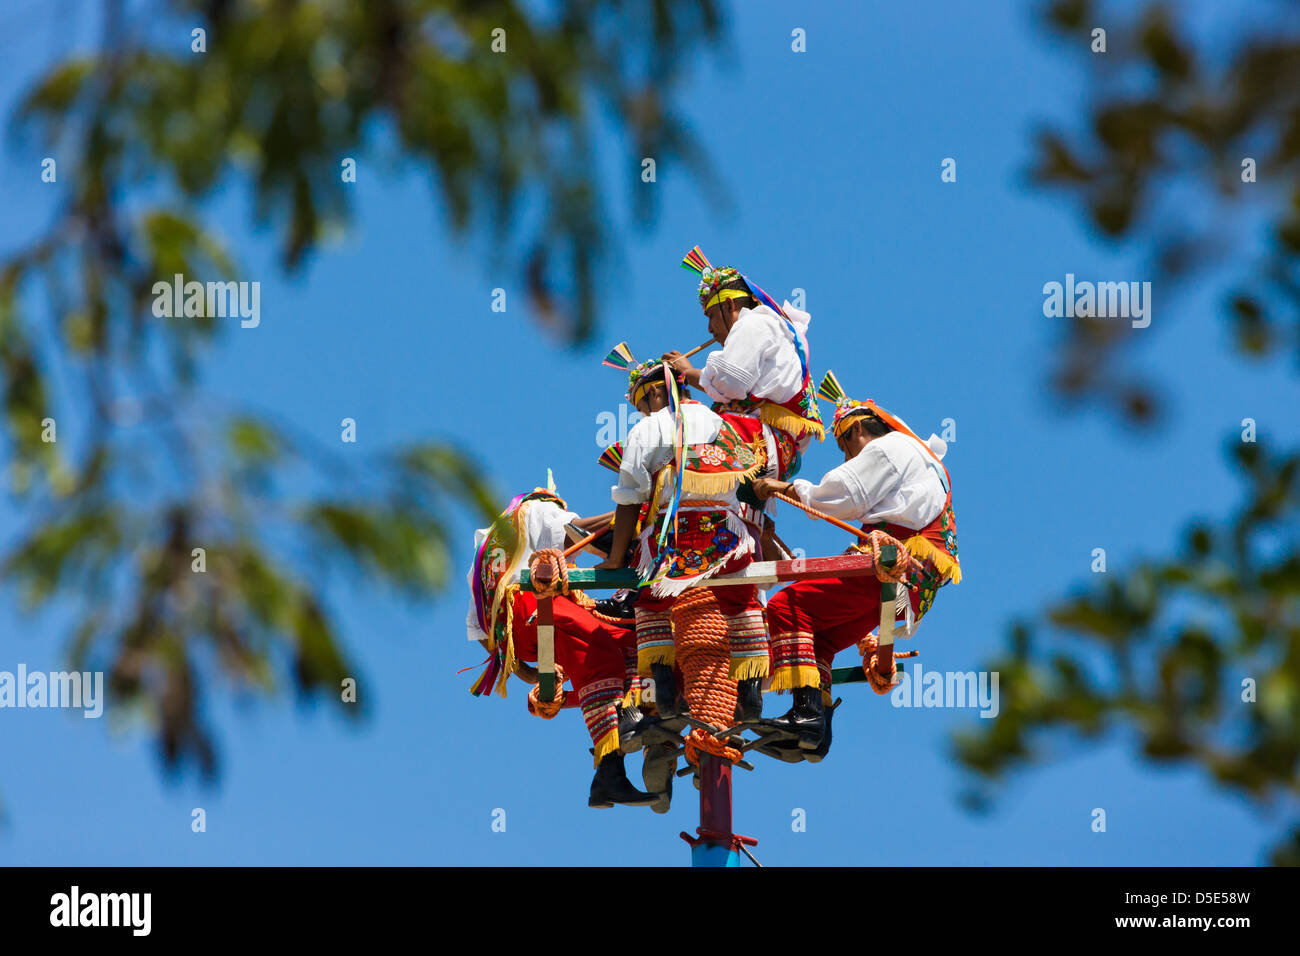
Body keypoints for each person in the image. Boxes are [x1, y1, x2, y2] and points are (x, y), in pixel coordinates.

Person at [752, 371, 961, 753]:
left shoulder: (891, 447)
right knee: (822, 637)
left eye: (845, 446)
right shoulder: (925, 461)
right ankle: (816, 733)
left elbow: (843, 493)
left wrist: (783, 487)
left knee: (787, 605)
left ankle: (806, 714)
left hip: (892, 569)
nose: (848, 457)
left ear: (858, 431)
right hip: (912, 588)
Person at [594, 348, 769, 723]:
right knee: (743, 603)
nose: (644, 411)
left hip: (671, 549)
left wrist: (614, 559)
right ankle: (752, 690)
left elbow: (629, 499)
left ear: (658, 393)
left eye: (645, 402)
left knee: (647, 603)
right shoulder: (724, 423)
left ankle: (664, 684)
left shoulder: (647, 429)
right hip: (728, 541)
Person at [467, 485, 656, 808]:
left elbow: (486, 638)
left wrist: (535, 673)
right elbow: (580, 531)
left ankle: (608, 772)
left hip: (524, 632)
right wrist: (639, 512)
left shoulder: (488, 555)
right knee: (603, 647)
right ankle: (629, 719)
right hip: (532, 605)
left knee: (624, 641)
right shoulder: (537, 511)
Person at [664, 246, 824, 493]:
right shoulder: (777, 329)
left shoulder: (754, 322)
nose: (709, 328)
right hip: (778, 452)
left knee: (669, 456)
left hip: (757, 442)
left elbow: (731, 382)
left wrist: (686, 372)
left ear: (728, 306)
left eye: (710, 315)